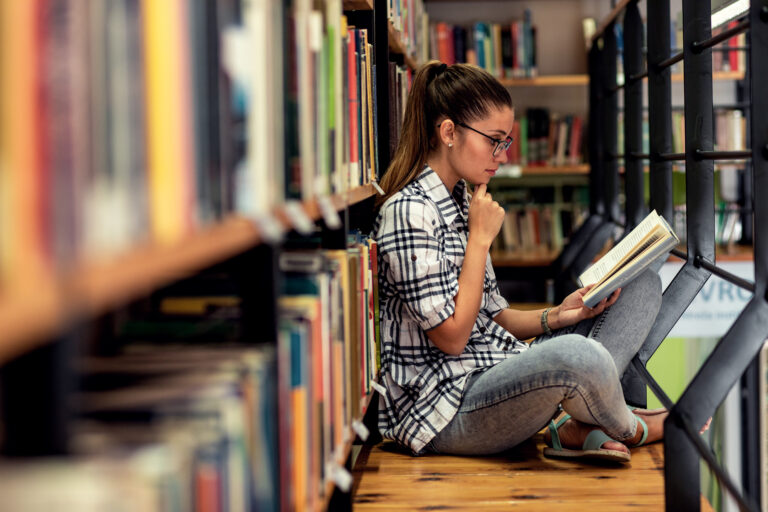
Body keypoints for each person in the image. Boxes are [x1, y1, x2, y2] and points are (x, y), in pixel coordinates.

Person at [371, 60, 667, 463]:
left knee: (640, 286)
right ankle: (630, 427)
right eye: (494, 140)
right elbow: (454, 338)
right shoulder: (407, 212)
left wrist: (559, 315)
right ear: (448, 132)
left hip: (497, 368)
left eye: (504, 142)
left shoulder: (462, 198)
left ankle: (578, 424)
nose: (501, 155)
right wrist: (478, 240)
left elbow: (495, 316)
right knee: (581, 357)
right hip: (448, 409)